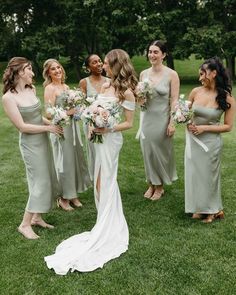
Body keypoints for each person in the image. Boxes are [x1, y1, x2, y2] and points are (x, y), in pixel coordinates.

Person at [44, 49, 138, 275]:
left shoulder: (127, 92)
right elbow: (92, 109)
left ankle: (108, 226)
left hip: (111, 139)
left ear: (115, 64)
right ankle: (102, 220)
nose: (103, 65)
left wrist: (108, 127)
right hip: (97, 138)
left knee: (106, 178)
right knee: (98, 178)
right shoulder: (105, 87)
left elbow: (129, 123)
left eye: (105, 63)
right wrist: (90, 122)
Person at [2, 57, 63, 239]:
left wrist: (53, 124)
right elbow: (22, 126)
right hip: (30, 145)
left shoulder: (31, 89)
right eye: (29, 69)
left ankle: (37, 218)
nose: (33, 73)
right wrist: (48, 128)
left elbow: (36, 117)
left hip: (43, 140)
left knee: (49, 177)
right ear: (19, 72)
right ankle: (25, 224)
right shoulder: (8, 98)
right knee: (39, 182)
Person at [185, 57, 235, 223]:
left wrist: (204, 128)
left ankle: (213, 210)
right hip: (193, 140)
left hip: (211, 143)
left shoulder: (226, 98)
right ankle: (199, 207)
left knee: (209, 176)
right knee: (195, 174)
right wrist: (185, 120)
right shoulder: (195, 92)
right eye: (199, 74)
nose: (200, 78)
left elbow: (228, 127)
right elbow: (184, 112)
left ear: (214, 73)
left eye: (203, 74)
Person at [43, 59, 91, 211]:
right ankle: (63, 198)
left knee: (75, 159)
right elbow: (49, 113)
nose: (57, 71)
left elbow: (73, 107)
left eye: (58, 67)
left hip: (72, 128)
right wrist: (68, 112)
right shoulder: (49, 89)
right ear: (48, 73)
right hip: (61, 130)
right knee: (64, 162)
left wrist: (78, 110)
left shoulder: (66, 87)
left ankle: (73, 194)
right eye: (53, 69)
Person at [137, 40, 179, 200]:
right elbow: (140, 102)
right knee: (147, 151)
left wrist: (172, 122)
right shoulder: (143, 74)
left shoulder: (171, 74)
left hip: (162, 119)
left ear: (164, 55)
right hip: (147, 118)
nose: (152, 55)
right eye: (150, 52)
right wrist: (139, 96)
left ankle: (159, 186)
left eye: (156, 52)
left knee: (160, 152)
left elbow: (174, 100)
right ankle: (151, 184)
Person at [79, 54, 108, 180]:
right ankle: (97, 180)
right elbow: (81, 105)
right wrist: (91, 118)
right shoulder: (84, 82)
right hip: (90, 124)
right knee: (94, 152)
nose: (99, 64)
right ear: (88, 67)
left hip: (106, 122)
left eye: (100, 61)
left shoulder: (109, 81)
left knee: (106, 152)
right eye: (94, 62)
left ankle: (107, 179)